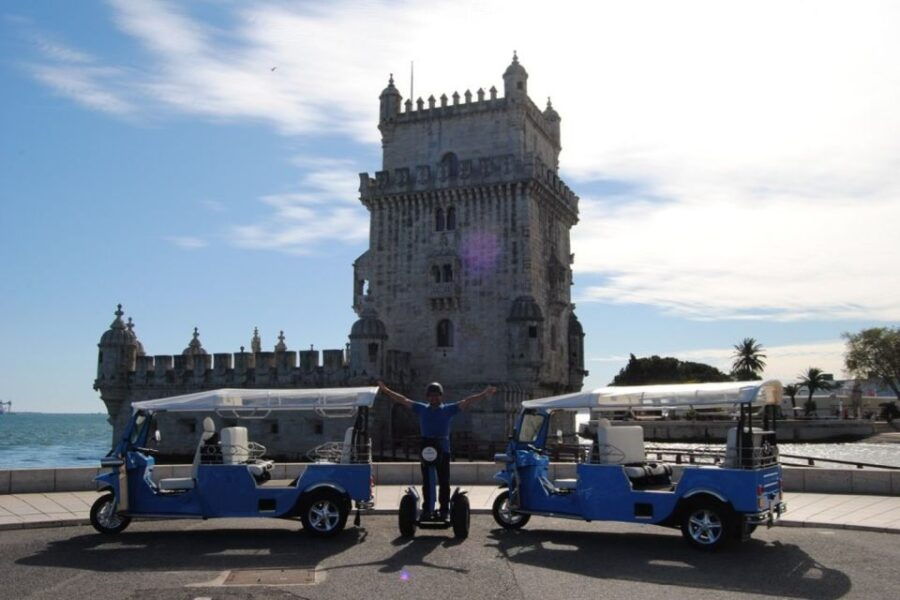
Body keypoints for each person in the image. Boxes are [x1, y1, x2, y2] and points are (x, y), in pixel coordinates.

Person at [378, 380, 496, 519]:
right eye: (431, 395)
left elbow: (467, 401)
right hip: (427, 450)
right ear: (427, 397)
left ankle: (444, 510)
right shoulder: (421, 408)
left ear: (441, 396)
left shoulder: (448, 409)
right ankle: (427, 509)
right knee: (427, 481)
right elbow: (403, 400)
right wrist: (386, 391)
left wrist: (483, 394)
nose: (434, 398)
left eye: (436, 395)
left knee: (444, 481)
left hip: (443, 450)